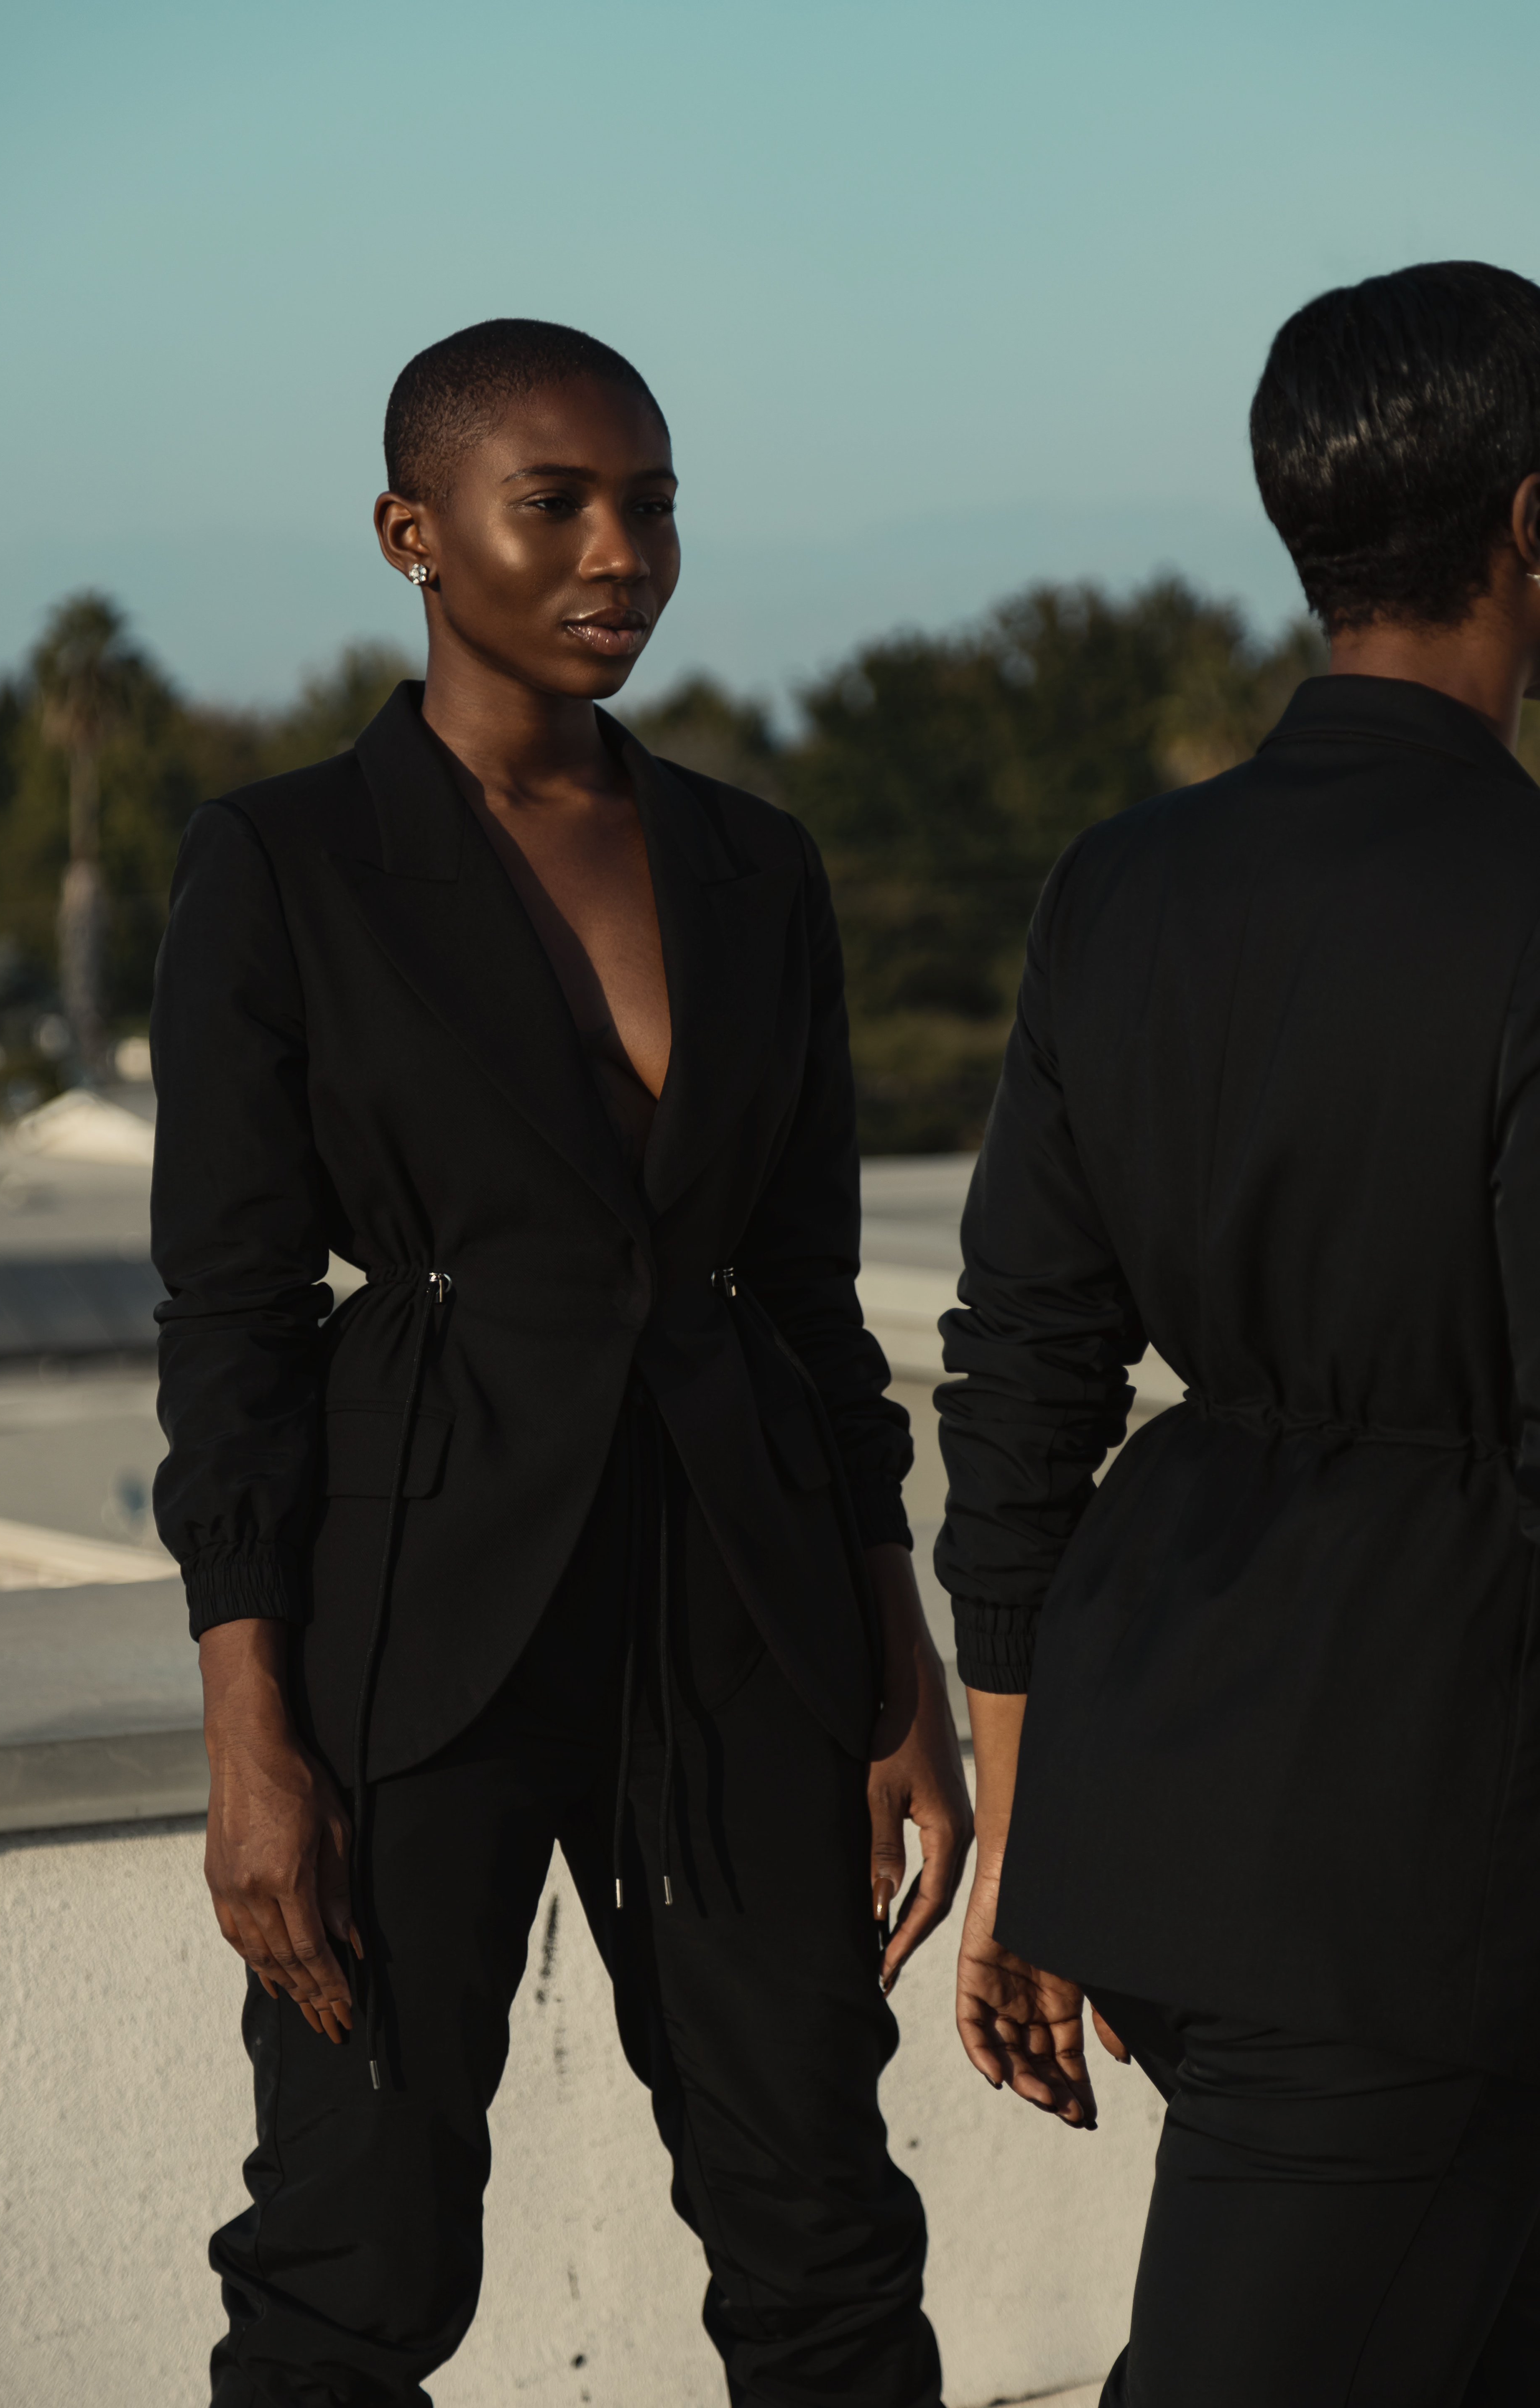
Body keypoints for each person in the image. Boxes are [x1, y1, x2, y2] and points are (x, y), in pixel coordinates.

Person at [151, 317, 970, 2408]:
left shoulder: (754, 864)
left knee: (822, 2231)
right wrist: (250, 1731)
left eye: (656, 505)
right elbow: (231, 1317)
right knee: (355, 2253)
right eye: (561, 503)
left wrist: (895, 1665)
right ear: (411, 534)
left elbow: (807, 1304)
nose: (625, 552)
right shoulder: (284, 861)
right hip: (413, 1624)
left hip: (740, 1620)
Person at [935, 260, 1540, 2405]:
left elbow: (1022, 1392)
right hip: (1416, 1849)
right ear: (1534, 523)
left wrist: (1025, 1853)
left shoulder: (1127, 884)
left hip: (1178, 1793)